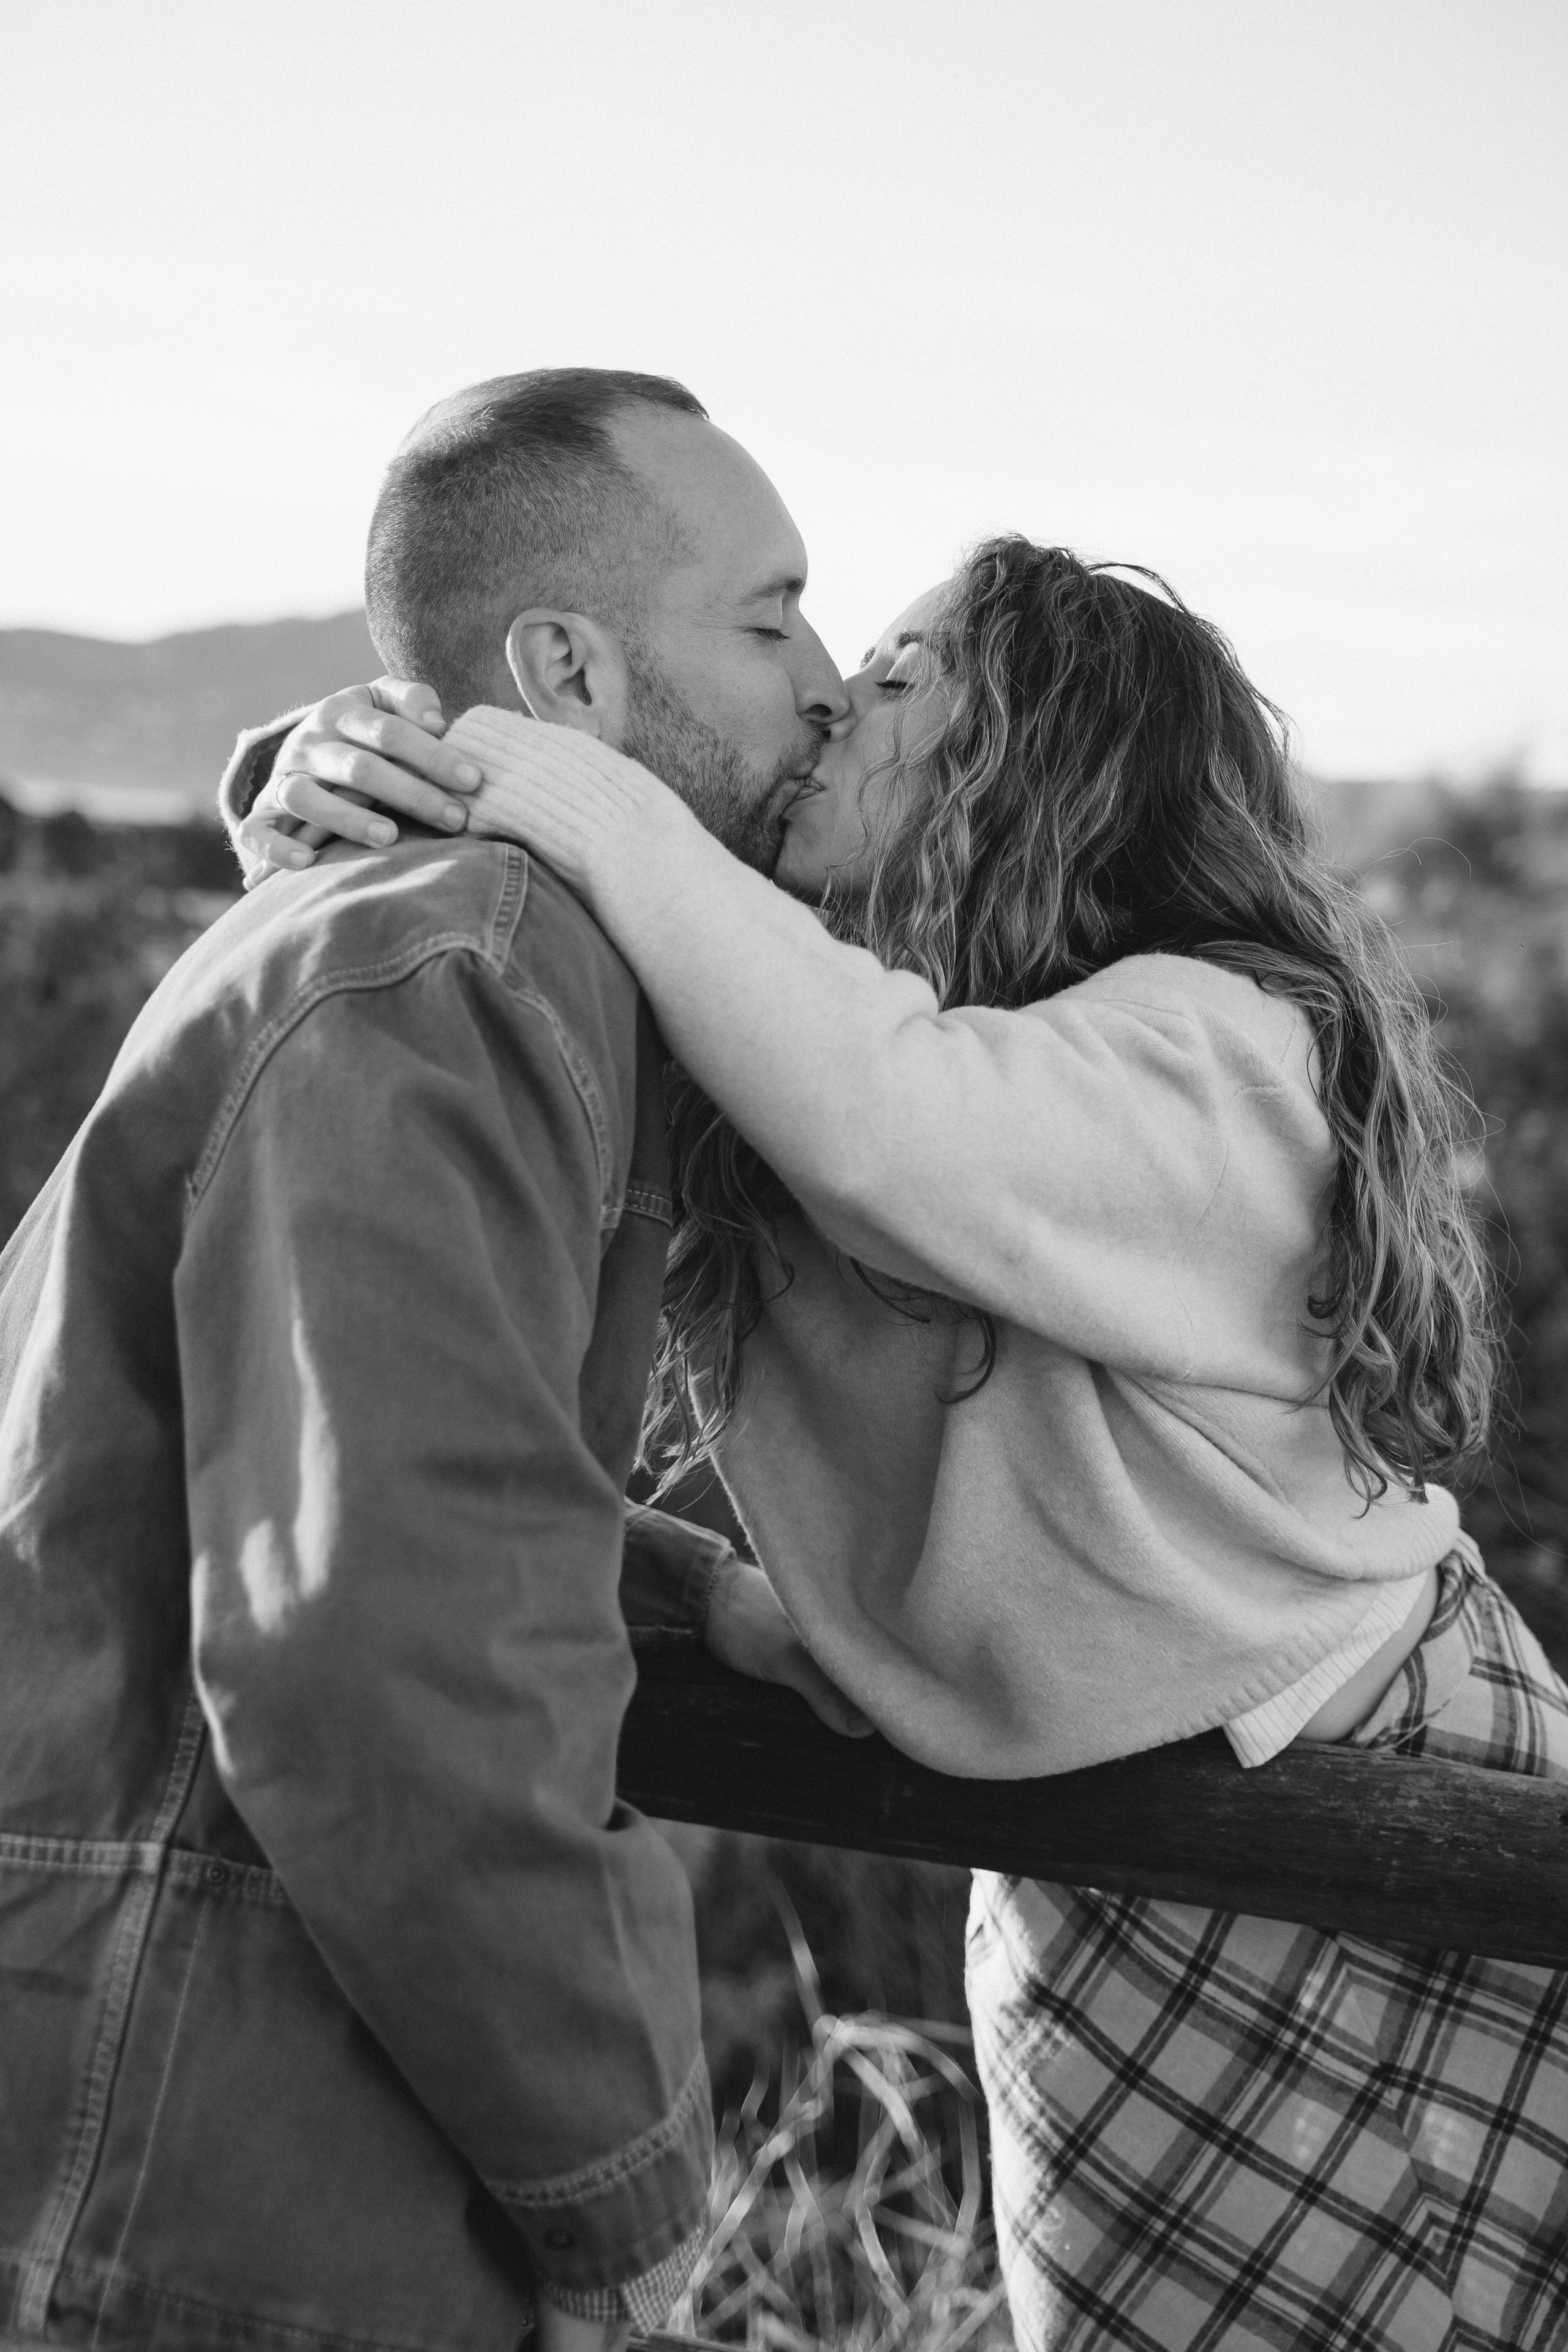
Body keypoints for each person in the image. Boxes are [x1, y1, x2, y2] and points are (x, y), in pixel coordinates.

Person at [257, 539, 1568, 2351]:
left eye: (893, 676)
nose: (822, 701)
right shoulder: (817, 1022)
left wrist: (525, 762)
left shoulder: (1223, 1049)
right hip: (1091, 1860)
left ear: (1035, 759)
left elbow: (894, 1121)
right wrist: (321, 788)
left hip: (1360, 1774)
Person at [0, 366, 869, 2352]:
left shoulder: (455, 941)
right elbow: (377, 1634)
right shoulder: (460, 964)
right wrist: (631, 2195)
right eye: (767, 617)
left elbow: (310, 1455)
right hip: (181, 2140)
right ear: (564, 664)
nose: (825, 678)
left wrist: (688, 1595)